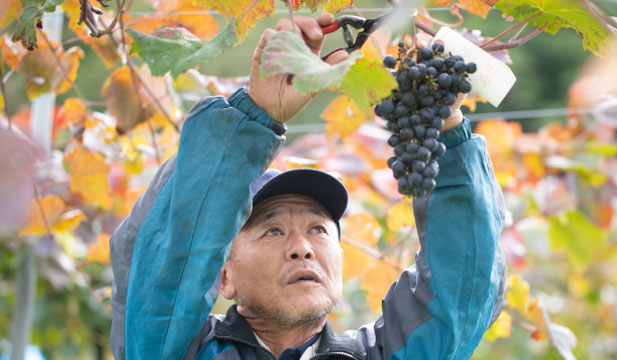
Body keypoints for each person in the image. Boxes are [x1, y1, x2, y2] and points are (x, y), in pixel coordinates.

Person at [109, 12, 507, 360]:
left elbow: (461, 293)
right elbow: (166, 264)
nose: (302, 247)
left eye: (318, 229)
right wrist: (254, 116)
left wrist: (447, 137)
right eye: (272, 230)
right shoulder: (173, 350)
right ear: (224, 276)